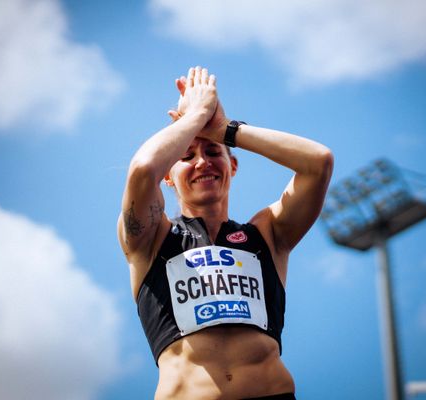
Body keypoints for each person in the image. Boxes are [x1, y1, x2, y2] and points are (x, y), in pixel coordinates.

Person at [118, 66, 333, 399]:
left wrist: (225, 129)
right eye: (187, 155)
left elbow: (319, 162)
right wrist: (197, 116)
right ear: (169, 177)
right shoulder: (151, 239)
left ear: (232, 165)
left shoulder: (268, 234)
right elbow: (144, 169)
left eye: (214, 152)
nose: (203, 162)